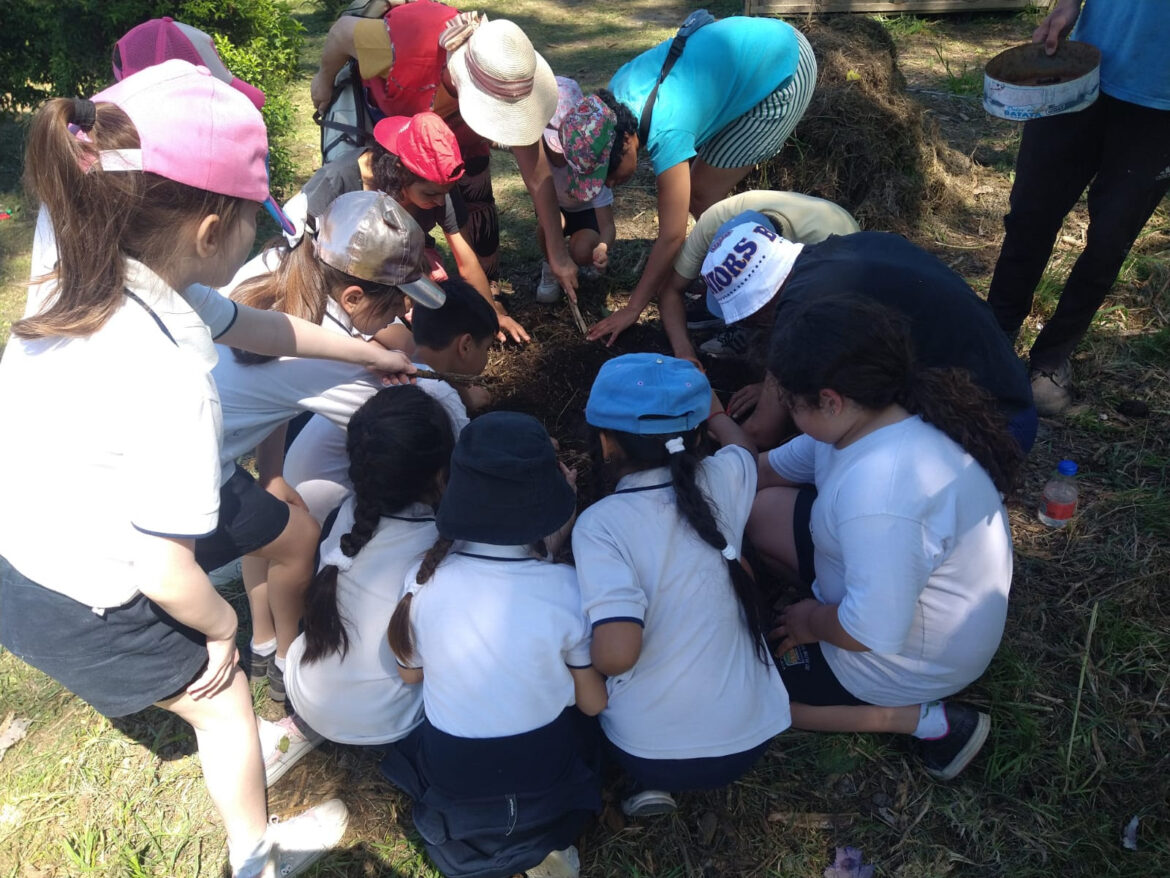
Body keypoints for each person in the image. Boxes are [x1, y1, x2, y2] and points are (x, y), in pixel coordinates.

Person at [0, 61, 349, 878]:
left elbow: (256, 329)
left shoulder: (82, 255)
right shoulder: (172, 378)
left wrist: (367, 355)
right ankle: (257, 852)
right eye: (255, 220)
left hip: (24, 540)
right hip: (80, 597)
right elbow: (164, 572)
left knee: (241, 553)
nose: (261, 238)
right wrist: (222, 630)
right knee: (221, 699)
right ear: (209, 231)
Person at [747, 295, 1020, 781]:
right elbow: (761, 472)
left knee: (753, 693)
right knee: (762, 511)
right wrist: (687, 483)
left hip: (906, 657)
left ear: (829, 400)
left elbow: (868, 632)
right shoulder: (866, 422)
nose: (787, 412)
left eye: (790, 403)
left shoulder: (881, 494)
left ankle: (926, 721)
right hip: (893, 595)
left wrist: (811, 620)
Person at [203, 190, 444, 701]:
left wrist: (272, 473)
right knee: (299, 537)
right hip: (186, 473)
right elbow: (414, 434)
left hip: (193, 444)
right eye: (396, 302)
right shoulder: (335, 362)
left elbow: (275, 393)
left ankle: (265, 643)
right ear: (352, 298)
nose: (403, 313)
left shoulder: (283, 266)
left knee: (273, 524)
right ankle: (287, 660)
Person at [383, 412, 606, 878]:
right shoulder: (567, 588)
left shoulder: (423, 579)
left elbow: (410, 674)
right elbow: (592, 703)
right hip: (541, 776)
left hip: (455, 780)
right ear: (551, 504)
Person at [573, 354, 791, 817]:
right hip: (751, 739)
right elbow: (743, 448)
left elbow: (616, 656)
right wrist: (716, 411)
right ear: (697, 437)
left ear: (606, 443)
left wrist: (577, 659)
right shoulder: (728, 477)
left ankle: (641, 784)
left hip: (646, 751)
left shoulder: (598, 524)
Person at [692, 218, 1037, 455]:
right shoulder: (840, 252)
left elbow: (761, 434)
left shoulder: (804, 309)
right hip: (1005, 387)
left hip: (992, 429)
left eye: (747, 320)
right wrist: (774, 387)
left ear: (757, 308)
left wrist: (713, 417)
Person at [310, 6, 584, 301]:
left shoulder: (507, 79)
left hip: (458, 142)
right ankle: (391, 286)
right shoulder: (404, 42)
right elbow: (341, 34)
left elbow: (538, 175)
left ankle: (487, 288)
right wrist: (324, 79)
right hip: (395, 133)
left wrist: (558, 254)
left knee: (476, 206)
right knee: (388, 214)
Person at [264, 385, 455, 786]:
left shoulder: (346, 516)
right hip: (392, 720)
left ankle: (302, 728)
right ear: (442, 471)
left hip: (306, 692)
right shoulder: (447, 544)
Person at [986, 0, 1170, 415]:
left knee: (1110, 240)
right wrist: (1067, 5)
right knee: (1030, 214)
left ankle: (1052, 360)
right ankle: (994, 334)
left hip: (1161, 103)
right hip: (1079, 70)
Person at [584, 14, 817, 340]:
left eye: (608, 174)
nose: (609, 184)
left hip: (785, 70)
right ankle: (724, 267)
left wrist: (633, 307)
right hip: (760, 45)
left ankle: (756, 283)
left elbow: (672, 235)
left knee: (701, 194)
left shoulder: (666, 128)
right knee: (696, 188)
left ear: (625, 142)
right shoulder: (615, 98)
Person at [284, 110, 529, 342]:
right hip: (343, 274)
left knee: (434, 304)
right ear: (400, 173)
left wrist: (491, 316)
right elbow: (300, 256)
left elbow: (467, 261)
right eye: (430, 194)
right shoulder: (337, 181)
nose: (440, 202)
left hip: (403, 264)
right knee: (389, 331)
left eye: (445, 193)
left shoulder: (440, 186)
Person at [284, 278, 498, 524]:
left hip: (297, 494)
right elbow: (464, 469)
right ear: (466, 345)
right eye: (487, 348)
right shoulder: (438, 395)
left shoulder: (398, 365)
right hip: (329, 516)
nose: (487, 358)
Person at [588, 190, 859, 351]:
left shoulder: (833, 248)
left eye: (754, 307)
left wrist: (773, 386)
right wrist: (684, 351)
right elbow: (670, 291)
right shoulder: (713, 226)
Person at [534, 77, 618, 303]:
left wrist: (602, 247)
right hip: (556, 209)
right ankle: (550, 265)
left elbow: (608, 225)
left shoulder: (591, 161)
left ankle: (582, 261)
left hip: (585, 213)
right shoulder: (538, 155)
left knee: (581, 249)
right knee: (549, 224)